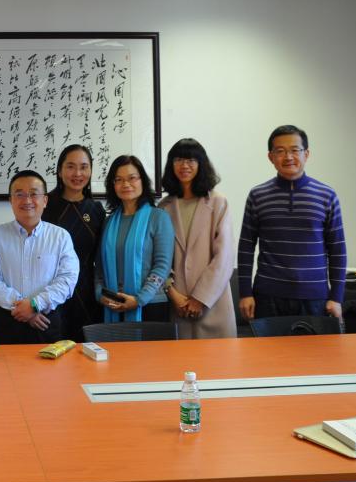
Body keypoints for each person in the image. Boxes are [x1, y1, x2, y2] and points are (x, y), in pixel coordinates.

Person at [238, 125, 346, 321]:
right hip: (267, 296)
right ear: (270, 157)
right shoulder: (257, 195)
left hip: (315, 298)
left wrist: (336, 297)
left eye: (295, 150)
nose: (288, 157)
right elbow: (246, 247)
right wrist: (245, 293)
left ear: (306, 154)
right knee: (267, 344)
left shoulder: (327, 195)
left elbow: (337, 250)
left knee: (316, 344)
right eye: (280, 151)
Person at [0, 171, 79, 344]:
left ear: (45, 200)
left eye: (34, 194)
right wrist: (24, 309)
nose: (27, 201)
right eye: (19, 194)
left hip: (47, 322)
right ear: (10, 200)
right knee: (4, 363)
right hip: (8, 321)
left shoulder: (60, 236)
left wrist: (35, 304)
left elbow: (67, 279)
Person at [159, 139, 236, 339]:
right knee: (181, 357)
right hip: (179, 304)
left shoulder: (218, 202)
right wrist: (172, 293)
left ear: (201, 164)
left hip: (213, 303)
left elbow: (224, 257)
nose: (184, 165)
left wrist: (200, 299)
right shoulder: (164, 207)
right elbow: (159, 258)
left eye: (191, 160)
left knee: (218, 358)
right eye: (178, 159)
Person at [95, 155, 173, 323]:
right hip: (112, 305)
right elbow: (99, 267)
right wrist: (99, 294)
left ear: (142, 181)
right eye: (119, 179)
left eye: (132, 178)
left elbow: (162, 266)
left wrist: (139, 299)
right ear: (113, 185)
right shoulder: (108, 222)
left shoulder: (159, 217)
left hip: (150, 305)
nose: (126, 184)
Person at [42, 144, 106, 342]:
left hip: (87, 292)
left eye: (84, 167)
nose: (78, 173)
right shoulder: (45, 206)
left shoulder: (96, 209)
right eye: (70, 166)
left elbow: (100, 258)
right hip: (50, 291)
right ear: (59, 171)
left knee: (86, 350)